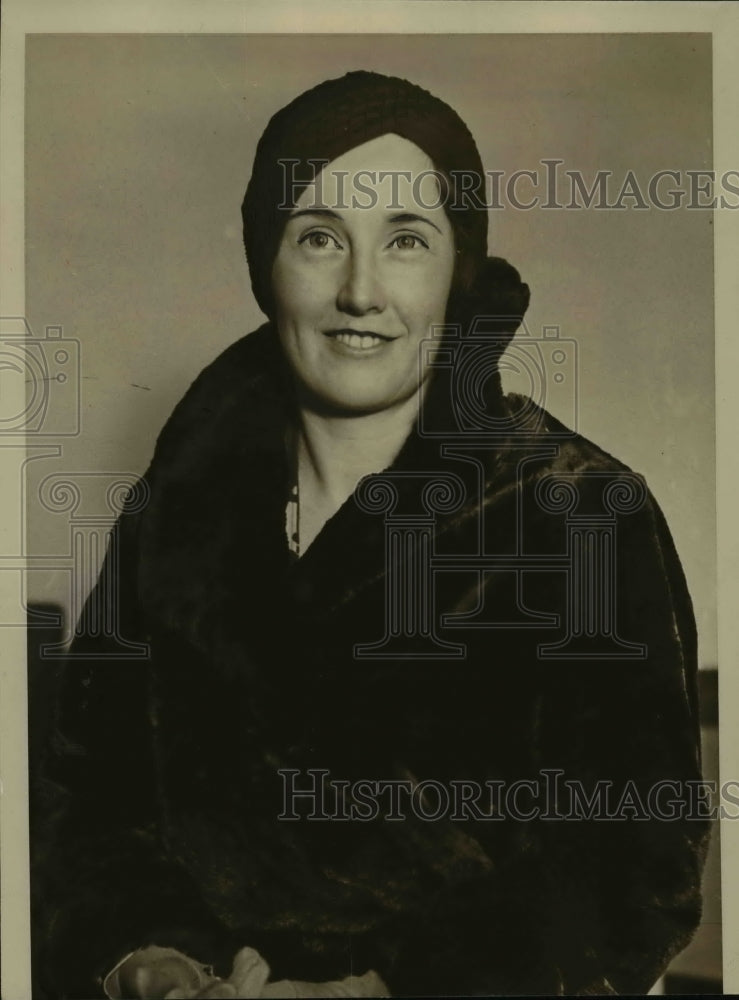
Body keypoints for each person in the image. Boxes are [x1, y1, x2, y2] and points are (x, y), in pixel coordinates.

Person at [31, 70, 709, 998]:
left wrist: (382, 989)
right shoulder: (178, 503)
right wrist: (144, 953)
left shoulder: (577, 510)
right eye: (318, 238)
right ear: (265, 261)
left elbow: (634, 870)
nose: (360, 290)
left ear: (455, 267)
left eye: (405, 240)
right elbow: (91, 797)